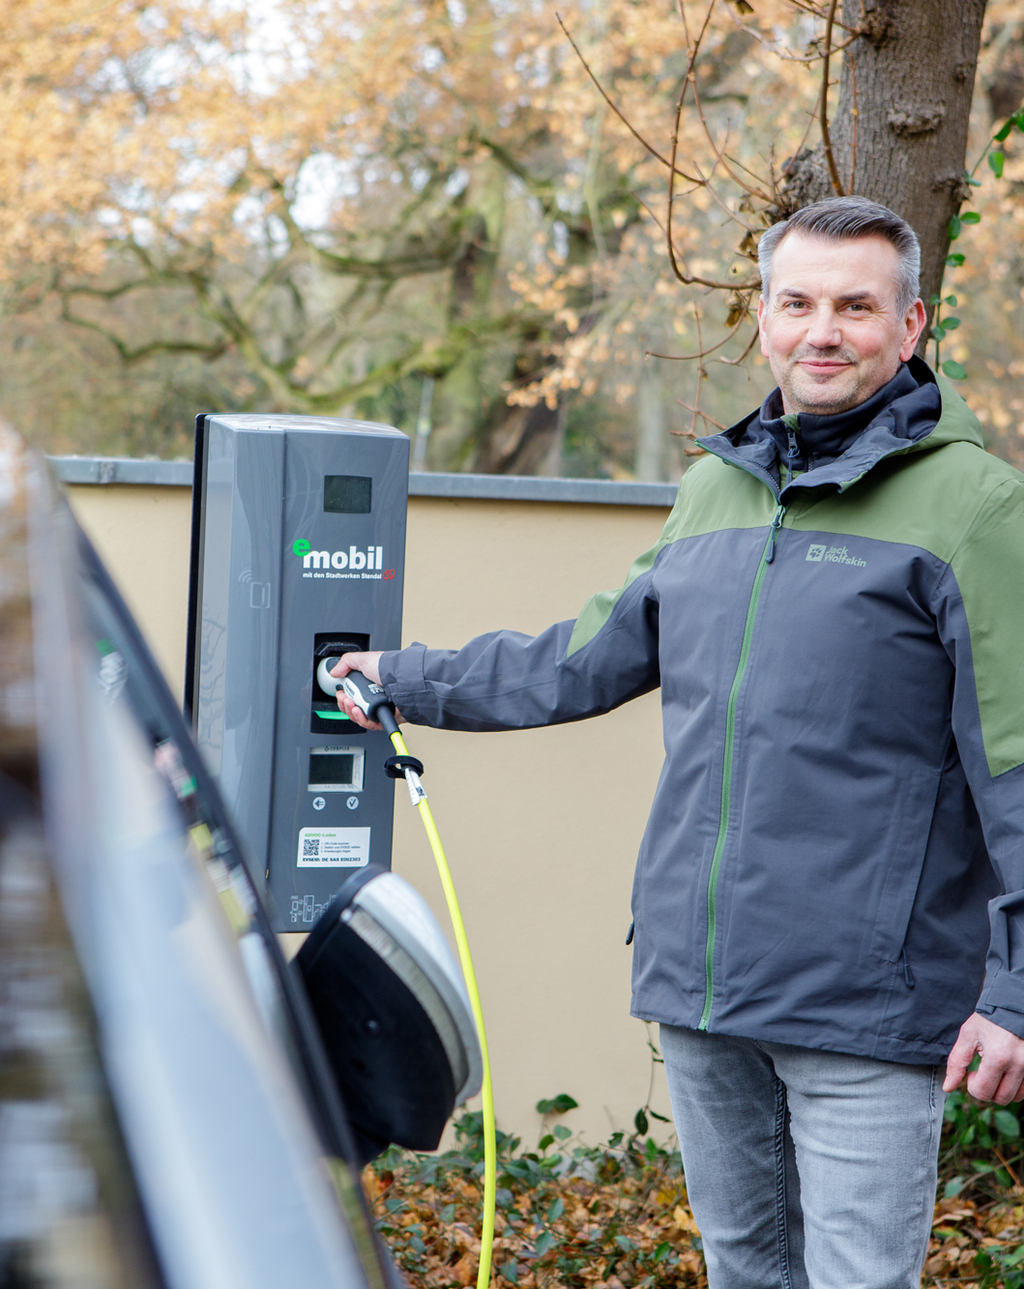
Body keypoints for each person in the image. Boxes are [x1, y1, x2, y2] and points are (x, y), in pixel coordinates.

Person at [332, 196, 1024, 1289]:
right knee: (742, 1270)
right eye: (796, 302)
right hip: (703, 990)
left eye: (855, 305)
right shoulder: (714, 489)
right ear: (761, 316)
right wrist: (403, 677)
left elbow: (1016, 763)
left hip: (866, 1004)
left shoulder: (973, 510)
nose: (822, 330)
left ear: (910, 325)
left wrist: (1013, 986)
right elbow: (580, 660)